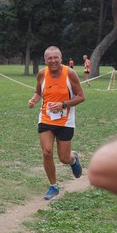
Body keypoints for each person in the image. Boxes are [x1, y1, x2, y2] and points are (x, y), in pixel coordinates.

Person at [28, 46, 86, 200]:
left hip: (65, 121)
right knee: (46, 151)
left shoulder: (70, 74)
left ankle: (73, 158)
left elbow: (81, 97)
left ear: (61, 58)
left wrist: (63, 105)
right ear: (45, 60)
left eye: (55, 58)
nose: (53, 61)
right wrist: (34, 100)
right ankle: (53, 186)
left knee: (64, 158)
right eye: (49, 58)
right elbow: (38, 92)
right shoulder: (42, 74)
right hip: (46, 119)